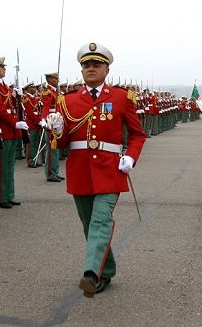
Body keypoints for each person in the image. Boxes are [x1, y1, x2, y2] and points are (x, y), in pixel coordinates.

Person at [52, 42, 146, 297]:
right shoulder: (67, 101)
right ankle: (107, 270)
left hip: (109, 170)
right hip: (80, 169)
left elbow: (138, 135)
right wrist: (57, 130)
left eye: (96, 65)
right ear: (81, 71)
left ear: (107, 69)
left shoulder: (120, 98)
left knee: (100, 219)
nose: (91, 68)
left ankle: (91, 274)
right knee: (88, 224)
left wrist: (131, 157)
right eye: (86, 65)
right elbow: (60, 144)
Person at [0, 57, 28, 208]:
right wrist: (14, 123)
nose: (4, 68)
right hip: (4, 130)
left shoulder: (5, 86)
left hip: (12, 130)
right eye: (1, 66)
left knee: (10, 166)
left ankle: (9, 194)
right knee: (2, 167)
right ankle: (1, 197)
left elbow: (12, 107)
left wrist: (18, 96)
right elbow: (0, 110)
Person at [40, 72, 64, 182]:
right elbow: (46, 107)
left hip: (57, 120)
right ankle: (50, 173)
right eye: (55, 78)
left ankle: (55, 171)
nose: (57, 80)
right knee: (51, 149)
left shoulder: (55, 91)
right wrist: (44, 119)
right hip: (51, 120)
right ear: (50, 79)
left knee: (56, 147)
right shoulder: (47, 92)